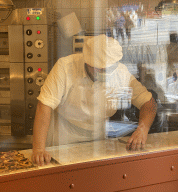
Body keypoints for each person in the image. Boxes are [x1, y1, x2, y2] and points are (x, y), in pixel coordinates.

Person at [32, 34, 157, 166]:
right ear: (87, 61)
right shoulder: (65, 67)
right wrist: (39, 149)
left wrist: (143, 129)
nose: (103, 73)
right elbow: (44, 106)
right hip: (63, 136)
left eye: (108, 69)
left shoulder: (121, 73)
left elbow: (148, 103)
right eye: (98, 68)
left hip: (97, 139)